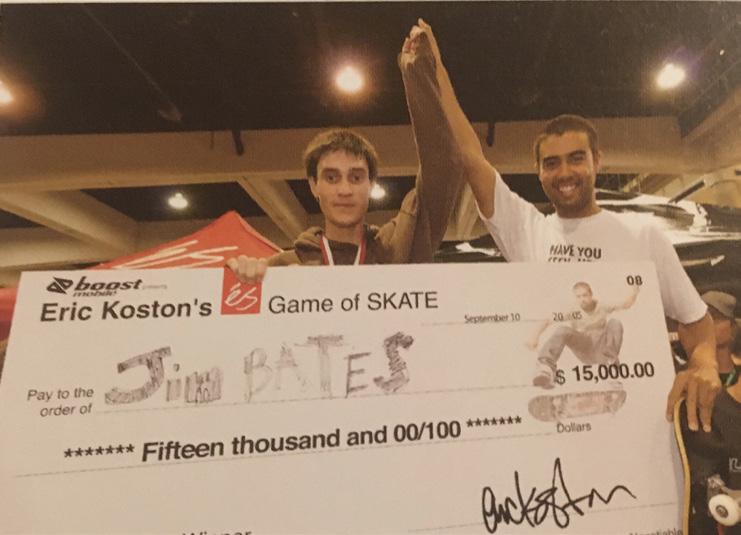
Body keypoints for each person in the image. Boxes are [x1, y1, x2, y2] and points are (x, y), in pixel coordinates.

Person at [402, 19, 719, 432]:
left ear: (597, 162)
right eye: (551, 163)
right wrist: (436, 70)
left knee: (615, 324)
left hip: (637, 417)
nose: (564, 172)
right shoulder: (528, 231)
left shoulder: (644, 235)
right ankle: (547, 372)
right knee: (564, 329)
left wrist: (705, 364)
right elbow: (470, 158)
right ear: (538, 172)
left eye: (576, 159)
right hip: (558, 417)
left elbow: (697, 323)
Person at [227, 36, 464, 280]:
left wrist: (418, 72)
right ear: (314, 185)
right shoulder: (283, 268)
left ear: (371, 184)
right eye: (331, 178)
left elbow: (444, 167)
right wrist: (246, 280)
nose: (344, 190)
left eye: (356, 177)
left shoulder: (397, 248)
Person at [528, 282, 639, 388]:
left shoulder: (603, 306)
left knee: (615, 323)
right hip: (585, 347)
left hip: (602, 349)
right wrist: (534, 337)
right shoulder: (572, 311)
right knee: (562, 330)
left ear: (591, 295)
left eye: (585, 295)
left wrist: (635, 292)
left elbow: (626, 304)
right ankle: (546, 368)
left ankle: (611, 367)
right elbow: (548, 320)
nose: (582, 299)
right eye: (578, 297)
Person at [701, 291, 740, 387]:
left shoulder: (738, 375)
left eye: (715, 317)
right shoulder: (690, 374)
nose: (709, 324)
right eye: (703, 319)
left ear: (731, 326)